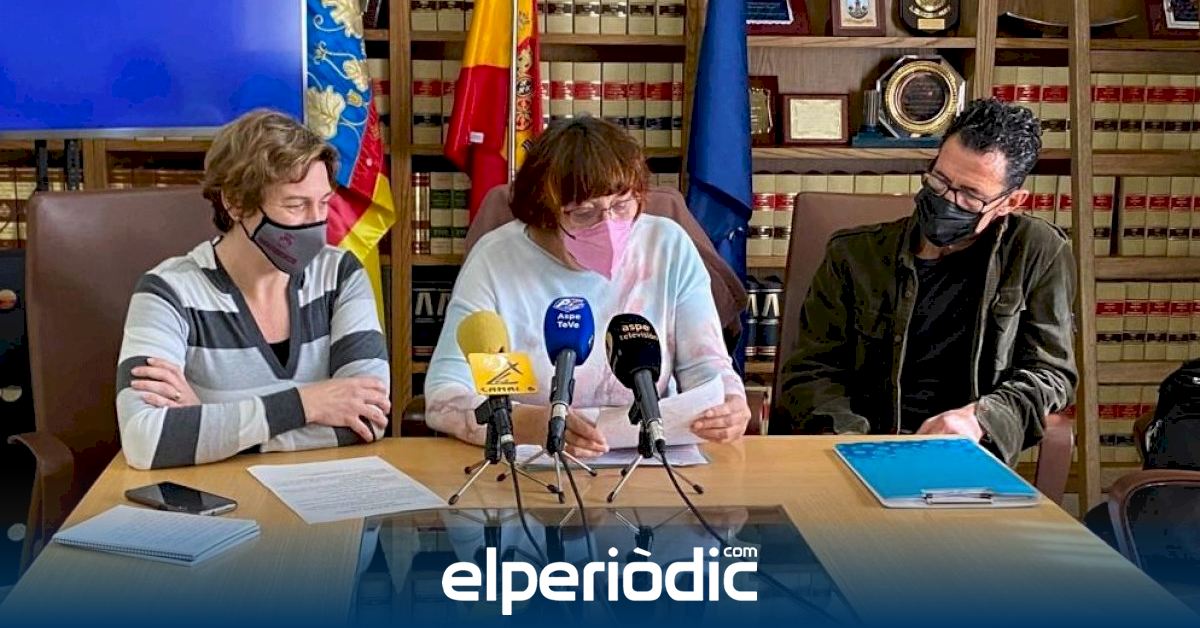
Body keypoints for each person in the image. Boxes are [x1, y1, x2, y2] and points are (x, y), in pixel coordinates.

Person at [771, 98, 1078, 466]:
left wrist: (980, 418)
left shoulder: (1038, 251)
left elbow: (1052, 374)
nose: (947, 200)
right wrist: (855, 443)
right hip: (857, 447)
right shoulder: (853, 254)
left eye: (970, 195)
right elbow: (812, 371)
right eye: (940, 180)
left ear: (1010, 202)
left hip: (967, 456)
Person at [424, 116, 749, 457]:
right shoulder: (496, 261)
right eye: (583, 212)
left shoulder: (666, 246)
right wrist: (526, 423)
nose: (608, 225)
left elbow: (705, 368)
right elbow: (446, 395)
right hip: (532, 466)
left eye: (621, 205)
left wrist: (730, 402)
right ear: (544, 211)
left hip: (647, 461)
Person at [114, 109, 390, 470]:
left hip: (327, 495)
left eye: (323, 203)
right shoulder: (166, 291)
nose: (316, 223)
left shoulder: (340, 275)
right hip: (214, 499)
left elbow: (369, 420)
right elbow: (145, 441)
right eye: (295, 205)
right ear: (235, 202)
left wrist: (209, 421)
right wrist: (307, 404)